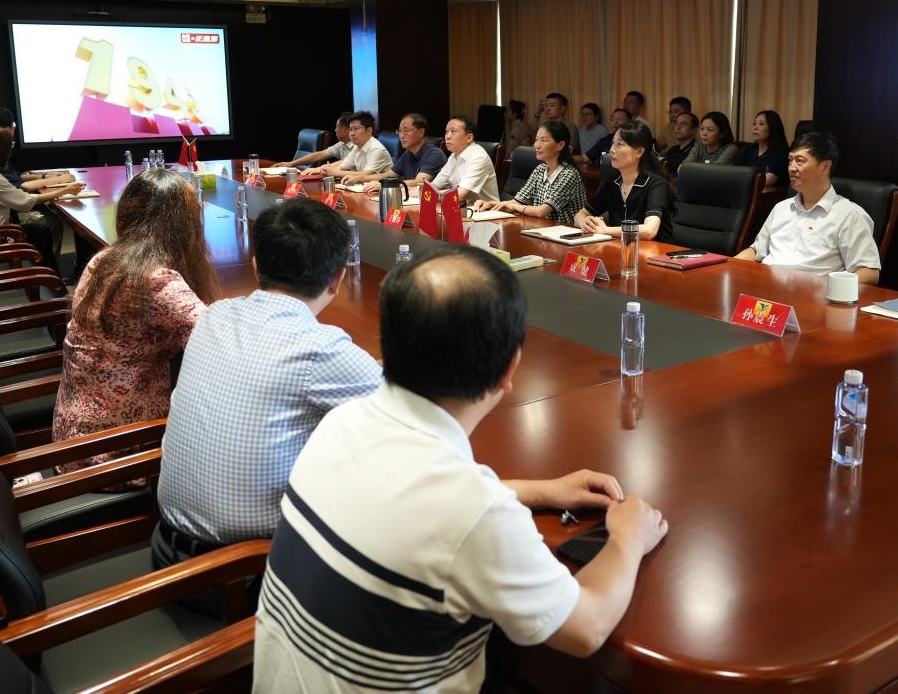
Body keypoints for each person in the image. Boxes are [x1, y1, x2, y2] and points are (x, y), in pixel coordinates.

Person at [254, 247, 668, 693]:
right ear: (509, 369)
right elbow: (587, 628)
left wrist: (541, 491)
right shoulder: (474, 511)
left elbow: (417, 505)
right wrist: (628, 537)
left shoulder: (341, 422)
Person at [156, 198, 381, 578]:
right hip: (244, 574)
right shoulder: (320, 349)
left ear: (256, 264)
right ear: (338, 279)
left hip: (166, 548)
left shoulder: (213, 316)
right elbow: (406, 410)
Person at [52, 169, 219, 470]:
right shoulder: (156, 281)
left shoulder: (102, 260)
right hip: (117, 456)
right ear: (185, 227)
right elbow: (223, 343)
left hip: (73, 439)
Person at [733, 131, 881, 284]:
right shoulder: (781, 208)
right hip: (766, 287)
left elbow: (869, 272)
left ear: (825, 167)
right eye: (790, 160)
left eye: (800, 161)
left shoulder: (850, 215)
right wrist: (728, 267)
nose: (791, 168)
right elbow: (756, 251)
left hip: (813, 293)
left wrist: (831, 290)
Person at [0, 126, 84, 275]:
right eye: (10, 146)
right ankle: (49, 279)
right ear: (2, 151)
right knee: (41, 232)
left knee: (38, 231)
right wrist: (64, 191)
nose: (11, 150)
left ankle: (48, 274)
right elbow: (25, 201)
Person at [575, 120, 673, 242]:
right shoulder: (613, 182)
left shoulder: (656, 185)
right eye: (613, 143)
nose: (612, 150)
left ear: (639, 152)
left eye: (619, 144)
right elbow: (580, 214)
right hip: (621, 247)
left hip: (656, 250)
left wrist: (605, 230)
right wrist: (586, 223)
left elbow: (649, 230)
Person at [474, 120, 587, 222]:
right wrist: (491, 205)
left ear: (560, 145)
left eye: (543, 140)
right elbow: (517, 201)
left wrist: (514, 207)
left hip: (566, 232)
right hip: (543, 229)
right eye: (536, 139)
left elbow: (541, 211)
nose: (537, 145)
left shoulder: (569, 174)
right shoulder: (540, 170)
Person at [355, 112, 446, 189]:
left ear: (421, 132)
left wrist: (386, 184)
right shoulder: (408, 153)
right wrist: (357, 178)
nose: (401, 136)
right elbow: (384, 176)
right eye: (399, 131)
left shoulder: (434, 154)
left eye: (406, 130)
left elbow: (418, 182)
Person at [430, 114, 500, 203]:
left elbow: (459, 195)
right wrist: (423, 192)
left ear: (469, 138)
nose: (447, 136)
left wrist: (430, 195)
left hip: (485, 210)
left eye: (453, 131)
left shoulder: (478, 158)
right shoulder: (454, 155)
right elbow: (434, 186)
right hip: (462, 208)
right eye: (446, 132)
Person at [304, 110, 391, 178]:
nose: (352, 133)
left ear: (369, 131)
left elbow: (366, 175)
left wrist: (335, 172)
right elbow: (342, 167)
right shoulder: (357, 147)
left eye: (356, 128)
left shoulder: (376, 148)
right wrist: (324, 170)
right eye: (350, 129)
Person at [277, 112, 353, 168]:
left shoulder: (357, 145)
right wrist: (291, 163)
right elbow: (320, 154)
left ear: (345, 130)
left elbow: (345, 161)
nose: (335, 130)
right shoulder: (342, 144)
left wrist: (318, 169)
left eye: (337, 127)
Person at [747, 109, 790, 185]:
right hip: (748, 190)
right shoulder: (749, 149)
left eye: (761, 124)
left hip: (772, 192)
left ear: (772, 128)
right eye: (754, 123)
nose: (755, 127)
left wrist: (742, 180)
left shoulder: (781, 151)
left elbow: (768, 179)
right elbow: (733, 172)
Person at [662, 111, 697, 176]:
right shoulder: (673, 150)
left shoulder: (697, 151)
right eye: (676, 124)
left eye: (683, 124)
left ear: (693, 130)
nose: (678, 128)